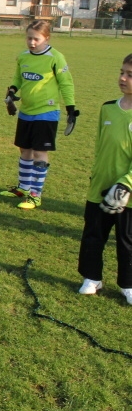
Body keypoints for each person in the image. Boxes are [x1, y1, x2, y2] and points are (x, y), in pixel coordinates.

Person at [0, 19, 77, 210]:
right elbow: (18, 77)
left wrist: (71, 108)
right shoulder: (23, 56)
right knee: (24, 150)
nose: (32, 43)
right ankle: (23, 188)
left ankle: (35, 195)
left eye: (36, 39)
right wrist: (12, 92)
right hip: (26, 112)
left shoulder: (55, 57)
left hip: (47, 112)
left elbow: (66, 83)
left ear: (47, 38)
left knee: (39, 152)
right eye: (29, 38)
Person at [77, 54, 132, 303]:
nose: (123, 78)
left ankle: (128, 284)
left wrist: (125, 184)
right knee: (93, 234)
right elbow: (101, 148)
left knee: (127, 240)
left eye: (130, 75)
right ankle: (92, 277)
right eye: (122, 72)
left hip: (127, 192)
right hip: (100, 185)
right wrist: (97, 177)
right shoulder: (107, 108)